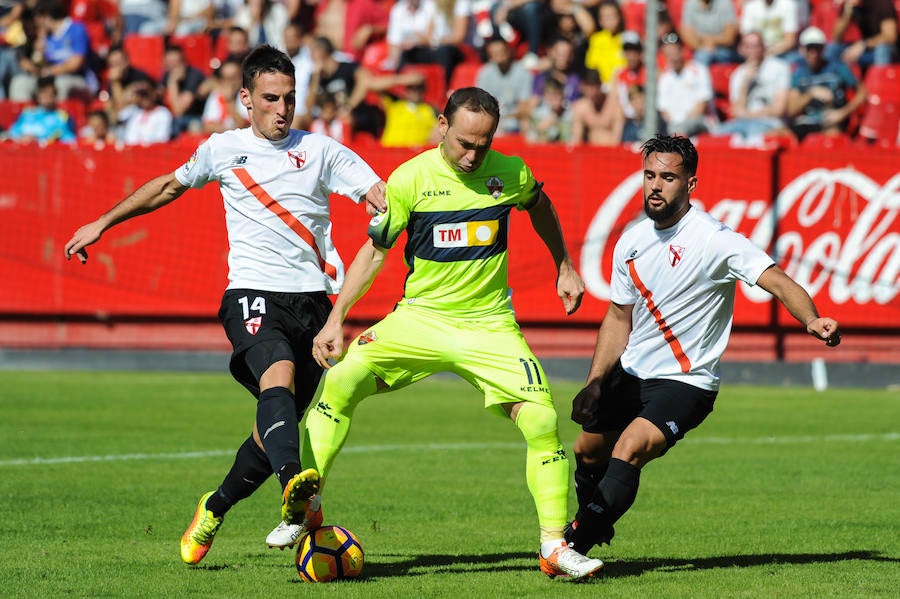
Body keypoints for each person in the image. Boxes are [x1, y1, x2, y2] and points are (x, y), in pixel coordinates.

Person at [63, 44, 387, 565]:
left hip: (313, 302)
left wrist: (383, 202)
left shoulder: (323, 151)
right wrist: (102, 222)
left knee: (272, 429)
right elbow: (169, 186)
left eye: (290, 98)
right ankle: (297, 492)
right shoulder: (222, 148)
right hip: (251, 293)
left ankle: (213, 507)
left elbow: (379, 194)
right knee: (275, 376)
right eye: (270, 98)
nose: (282, 109)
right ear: (246, 99)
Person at [299, 86, 605, 581]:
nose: (471, 155)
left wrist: (564, 266)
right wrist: (336, 319)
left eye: (482, 145)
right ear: (442, 125)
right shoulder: (410, 179)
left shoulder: (510, 172)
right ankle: (307, 508)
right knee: (340, 380)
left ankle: (554, 547)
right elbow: (375, 252)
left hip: (489, 325)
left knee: (543, 420)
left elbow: (540, 204)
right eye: (464, 142)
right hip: (419, 319)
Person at [564, 134, 842, 559]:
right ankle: (593, 523)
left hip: (685, 382)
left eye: (669, 177)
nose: (656, 185)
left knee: (629, 448)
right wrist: (596, 381)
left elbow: (779, 281)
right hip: (632, 372)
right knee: (587, 452)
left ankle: (572, 544)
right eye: (649, 175)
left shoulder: (714, 238)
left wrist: (810, 319)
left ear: (690, 185)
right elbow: (619, 318)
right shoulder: (631, 241)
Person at [786, 26, 868, 141]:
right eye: (810, 48)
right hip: (807, 123)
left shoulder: (838, 68)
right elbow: (791, 109)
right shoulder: (799, 75)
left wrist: (842, 113)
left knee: (831, 137)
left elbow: (862, 94)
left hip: (833, 121)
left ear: (823, 49)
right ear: (803, 50)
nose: (814, 53)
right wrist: (811, 94)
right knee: (784, 137)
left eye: (817, 48)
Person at [713, 31, 791, 140]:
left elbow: (779, 109)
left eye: (756, 46)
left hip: (769, 123)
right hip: (743, 123)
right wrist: (745, 82)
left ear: (763, 47)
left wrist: (748, 114)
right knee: (716, 136)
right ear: (742, 49)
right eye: (748, 46)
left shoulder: (779, 68)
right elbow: (736, 111)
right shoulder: (738, 74)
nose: (753, 50)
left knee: (752, 136)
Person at [657, 31, 717, 136]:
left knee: (679, 130)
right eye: (668, 54)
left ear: (681, 51)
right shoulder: (664, 78)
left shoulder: (699, 70)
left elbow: (701, 106)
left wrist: (680, 125)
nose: (672, 57)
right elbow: (664, 110)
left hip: (700, 122)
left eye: (674, 52)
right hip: (675, 125)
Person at [476, 36, 533, 135]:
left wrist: (505, 118)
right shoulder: (485, 73)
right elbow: (482, 103)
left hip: (515, 119)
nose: (499, 55)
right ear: (490, 55)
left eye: (502, 51)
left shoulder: (522, 73)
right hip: (492, 118)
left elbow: (524, 106)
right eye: (495, 53)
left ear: (509, 51)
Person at [829, 0, 899, 70]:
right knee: (833, 48)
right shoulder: (850, 5)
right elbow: (836, 37)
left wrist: (864, 44)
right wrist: (847, 13)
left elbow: (890, 37)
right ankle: (848, 80)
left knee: (882, 49)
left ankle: (880, 79)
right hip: (865, 50)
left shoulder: (882, 3)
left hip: (886, 50)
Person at [6, 74, 76, 143]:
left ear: (55, 95)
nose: (46, 96)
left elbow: (69, 139)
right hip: (22, 149)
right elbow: (13, 132)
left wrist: (39, 140)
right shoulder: (27, 113)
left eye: (50, 93)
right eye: (43, 92)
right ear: (38, 95)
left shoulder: (62, 116)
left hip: (48, 151)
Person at [679, 0, 741, 66]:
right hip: (700, 49)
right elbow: (687, 34)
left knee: (702, 57)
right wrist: (704, 48)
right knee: (703, 55)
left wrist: (708, 41)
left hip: (724, 50)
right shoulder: (690, 3)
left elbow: (729, 38)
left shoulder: (725, 3)